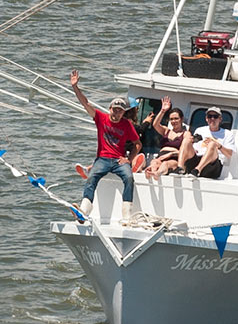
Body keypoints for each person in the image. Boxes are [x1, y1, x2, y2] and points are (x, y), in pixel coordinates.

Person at [70, 69, 141, 225]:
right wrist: (75, 87)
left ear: (123, 113)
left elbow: (138, 144)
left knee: (129, 178)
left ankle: (126, 216)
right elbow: (85, 103)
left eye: (120, 111)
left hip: (118, 160)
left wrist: (129, 159)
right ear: (110, 109)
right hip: (102, 159)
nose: (116, 113)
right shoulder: (101, 118)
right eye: (114, 109)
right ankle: (84, 211)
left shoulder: (127, 125)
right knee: (91, 178)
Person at [180, 106, 235, 179]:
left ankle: (197, 170)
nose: (212, 119)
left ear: (220, 119)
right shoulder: (200, 130)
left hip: (212, 166)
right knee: (186, 140)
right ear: (206, 118)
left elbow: (229, 154)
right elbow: (194, 148)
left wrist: (218, 145)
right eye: (210, 116)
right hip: (197, 160)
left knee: (212, 144)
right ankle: (180, 168)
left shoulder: (227, 134)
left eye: (215, 116)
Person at [144, 96, 192, 179]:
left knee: (165, 164)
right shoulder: (166, 131)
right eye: (171, 119)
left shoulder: (186, 134)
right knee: (154, 162)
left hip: (174, 157)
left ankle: (157, 173)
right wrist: (163, 111)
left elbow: (186, 150)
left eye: (176, 118)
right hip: (161, 156)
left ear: (181, 119)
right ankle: (152, 172)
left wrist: (170, 154)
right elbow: (155, 124)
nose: (174, 121)